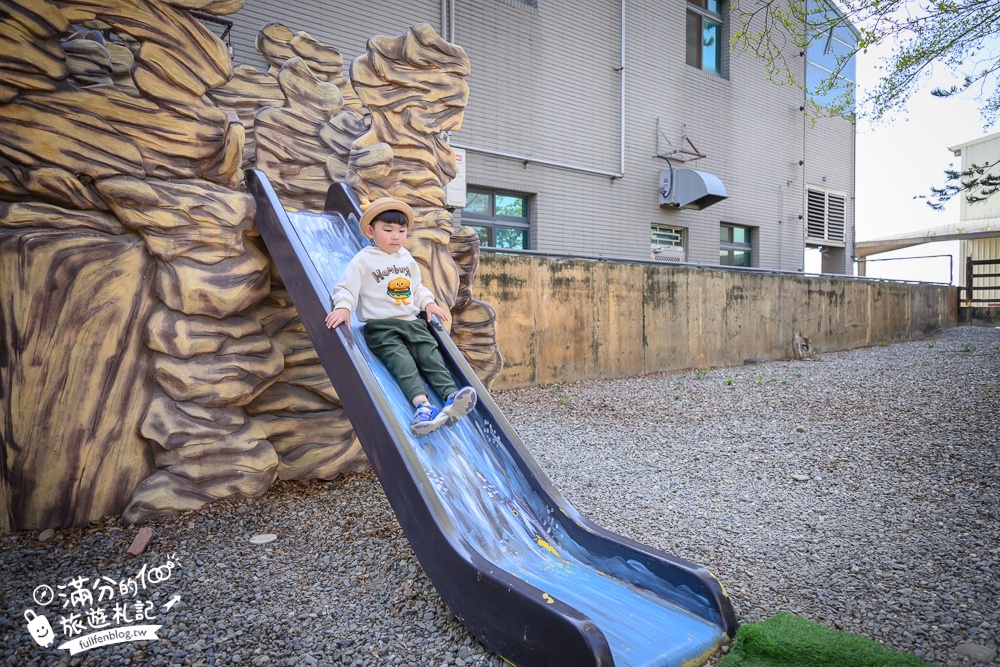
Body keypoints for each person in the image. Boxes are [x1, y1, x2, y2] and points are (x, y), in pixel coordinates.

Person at [325, 197, 477, 436]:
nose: (395, 236)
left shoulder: (406, 258)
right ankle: (423, 407)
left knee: (429, 354)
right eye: (388, 230)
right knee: (402, 362)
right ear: (370, 231)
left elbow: (416, 288)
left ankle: (450, 396)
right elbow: (346, 288)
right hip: (382, 328)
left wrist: (428, 303)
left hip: (412, 323)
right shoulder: (363, 260)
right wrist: (343, 307)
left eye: (401, 231)